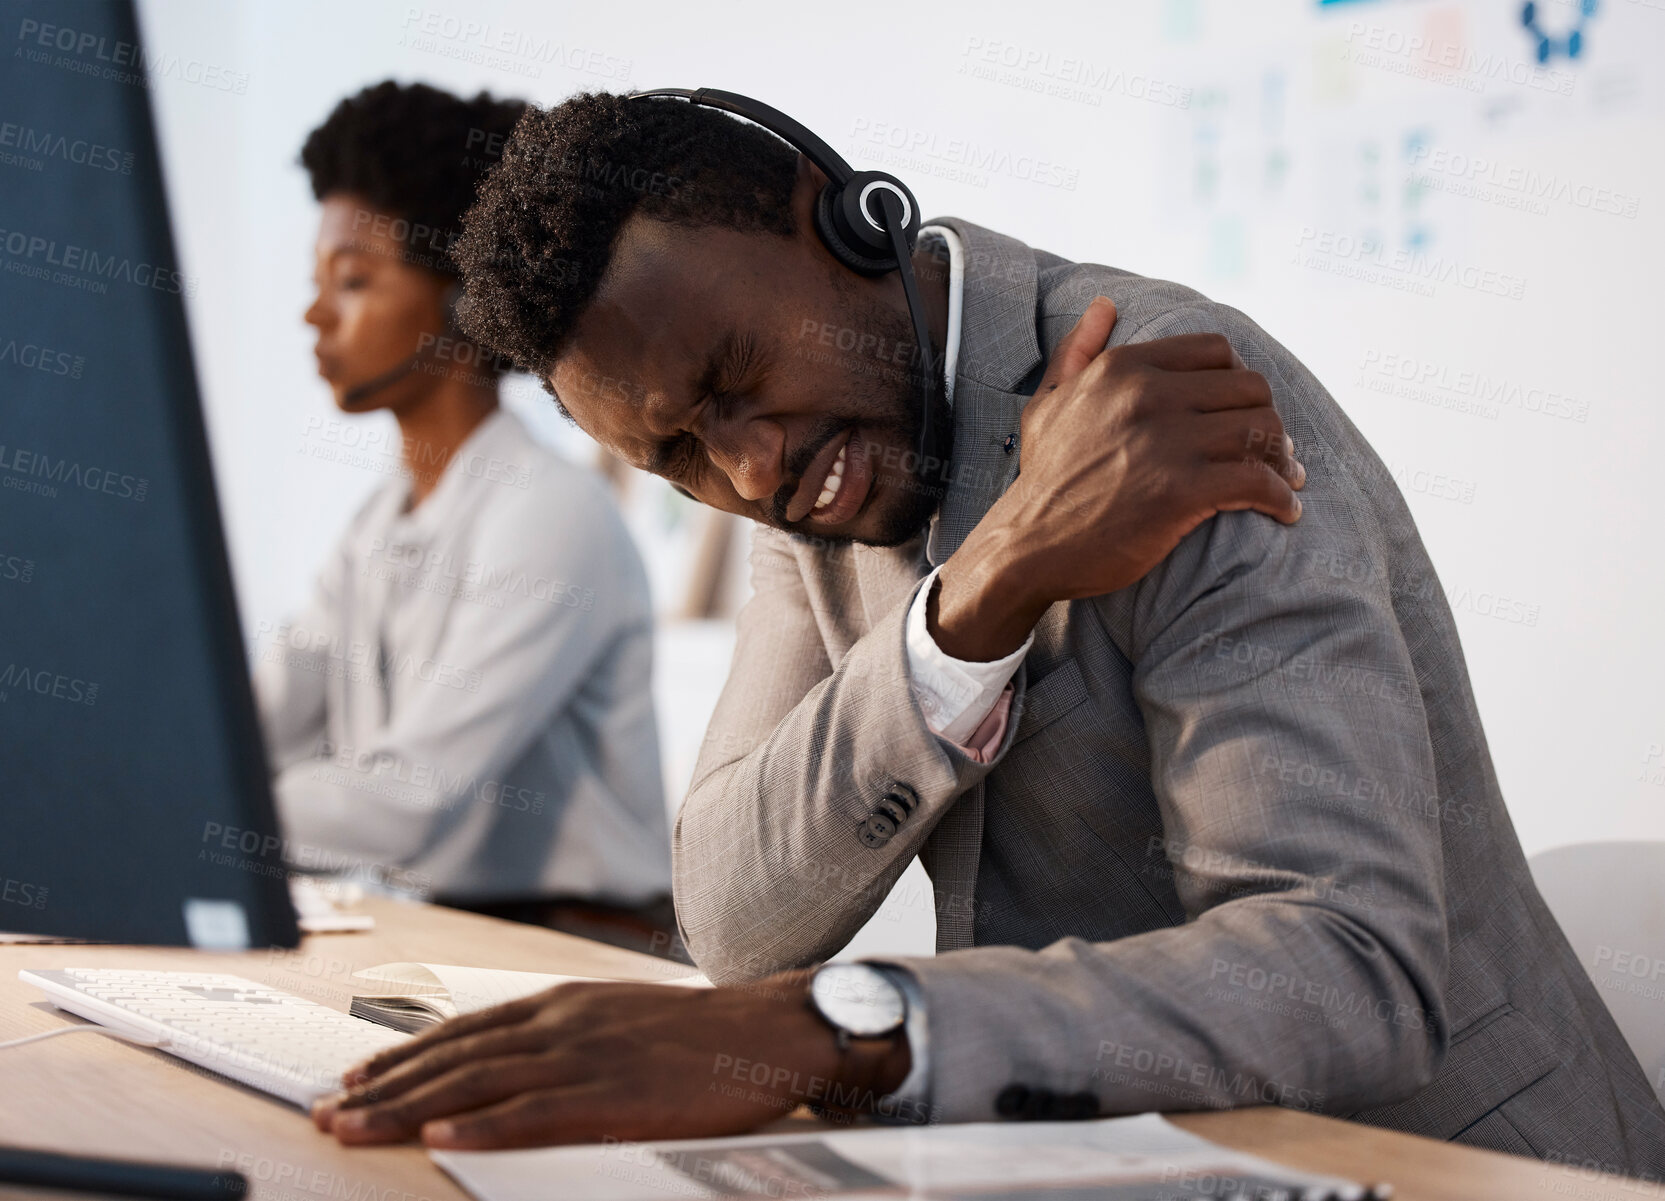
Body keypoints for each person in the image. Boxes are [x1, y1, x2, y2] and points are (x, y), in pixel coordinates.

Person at [311, 91, 1665, 1177]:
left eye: (733, 378)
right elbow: (734, 917)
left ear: (843, 218)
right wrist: (982, 595)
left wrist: (853, 1032)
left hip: (1447, 1165)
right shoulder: (808, 475)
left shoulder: (1172, 400)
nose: (750, 469)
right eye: (674, 455)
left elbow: (1343, 970)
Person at [255, 82, 676, 956]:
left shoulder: (549, 516)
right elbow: (264, 718)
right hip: (436, 933)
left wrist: (163, 797)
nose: (313, 313)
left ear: (460, 303)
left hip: (578, 951)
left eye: (354, 280)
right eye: (317, 282)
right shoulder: (380, 521)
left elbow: (406, 798)